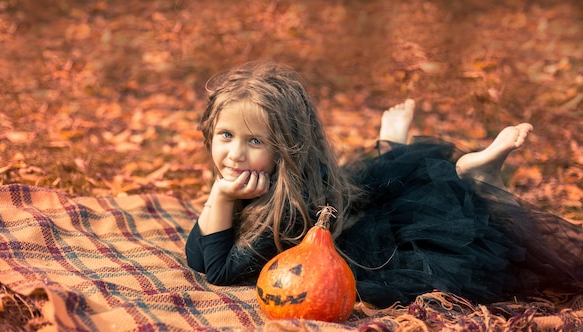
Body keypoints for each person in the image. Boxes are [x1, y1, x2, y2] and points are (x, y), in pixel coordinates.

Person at [185, 62, 583, 308]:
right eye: (225, 135)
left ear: (288, 147)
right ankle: (396, 150)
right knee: (383, 185)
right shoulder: (247, 179)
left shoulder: (289, 206)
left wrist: (219, 196)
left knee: (456, 221)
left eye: (254, 141)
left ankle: (471, 178)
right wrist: (219, 197)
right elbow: (196, 255)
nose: (235, 154)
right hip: (360, 207)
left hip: (377, 246)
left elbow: (218, 271)